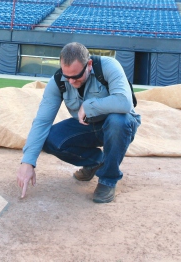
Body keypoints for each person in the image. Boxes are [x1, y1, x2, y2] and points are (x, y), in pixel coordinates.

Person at [16, 42, 140, 203]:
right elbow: (42, 121)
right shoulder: (58, 81)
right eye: (67, 76)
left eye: (76, 76)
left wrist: (89, 106)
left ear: (89, 65)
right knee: (48, 138)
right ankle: (97, 162)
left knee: (117, 121)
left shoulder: (109, 66)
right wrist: (28, 161)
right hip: (88, 127)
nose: (71, 81)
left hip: (120, 125)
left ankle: (108, 179)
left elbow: (124, 102)